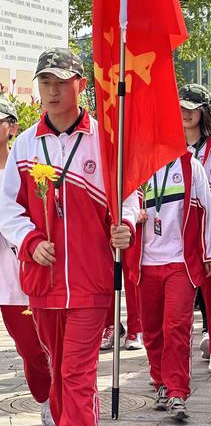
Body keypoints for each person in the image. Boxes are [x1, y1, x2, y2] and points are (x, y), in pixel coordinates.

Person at [0, 48, 138, 426]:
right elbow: (8, 207)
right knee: (59, 370)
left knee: (76, 375)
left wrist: (125, 223)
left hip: (91, 279)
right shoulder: (27, 144)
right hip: (43, 281)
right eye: (46, 82)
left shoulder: (105, 139)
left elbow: (129, 194)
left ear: (80, 85)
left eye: (61, 82)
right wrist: (29, 241)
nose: (53, 90)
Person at [127, 148, 211, 419]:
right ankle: (161, 383)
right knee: (153, 331)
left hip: (180, 262)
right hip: (145, 262)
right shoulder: (137, 163)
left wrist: (208, 251)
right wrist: (134, 216)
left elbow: (207, 209)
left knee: (176, 326)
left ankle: (178, 391)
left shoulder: (190, 166)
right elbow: (122, 204)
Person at [0, 95, 54, 426]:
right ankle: (49, 397)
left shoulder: (27, 168)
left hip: (28, 276)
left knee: (39, 350)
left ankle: (54, 399)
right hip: (7, 282)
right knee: (31, 351)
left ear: (11, 127)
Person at [180, 83, 211, 374]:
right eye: (181, 108)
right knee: (180, 296)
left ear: (204, 112)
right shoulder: (169, 149)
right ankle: (176, 351)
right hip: (180, 230)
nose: (186, 113)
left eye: (192, 108)